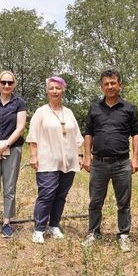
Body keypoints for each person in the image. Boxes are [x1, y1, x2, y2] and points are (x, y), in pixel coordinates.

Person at [81, 69, 138, 252]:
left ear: (119, 85)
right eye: (106, 84)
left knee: (123, 202)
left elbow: (136, 134)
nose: (110, 87)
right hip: (98, 163)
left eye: (113, 83)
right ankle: (93, 232)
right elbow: (89, 134)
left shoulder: (129, 109)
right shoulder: (94, 109)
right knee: (95, 201)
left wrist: (136, 158)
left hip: (122, 163)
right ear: (101, 87)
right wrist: (86, 156)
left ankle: (124, 234)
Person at [26, 76, 84, 244]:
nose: (54, 91)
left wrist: (80, 156)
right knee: (47, 194)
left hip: (68, 160)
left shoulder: (69, 112)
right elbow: (33, 136)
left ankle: (54, 225)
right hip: (47, 160)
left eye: (58, 88)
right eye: (51, 88)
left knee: (61, 195)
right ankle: (39, 228)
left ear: (63, 90)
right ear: (47, 90)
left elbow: (76, 136)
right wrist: (33, 155)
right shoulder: (41, 112)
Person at [0, 70, 27, 238]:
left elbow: (20, 127)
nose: (6, 85)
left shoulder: (19, 103)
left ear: (14, 84)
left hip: (13, 148)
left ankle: (7, 222)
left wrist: (5, 145)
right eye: (3, 82)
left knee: (9, 187)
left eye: (10, 82)